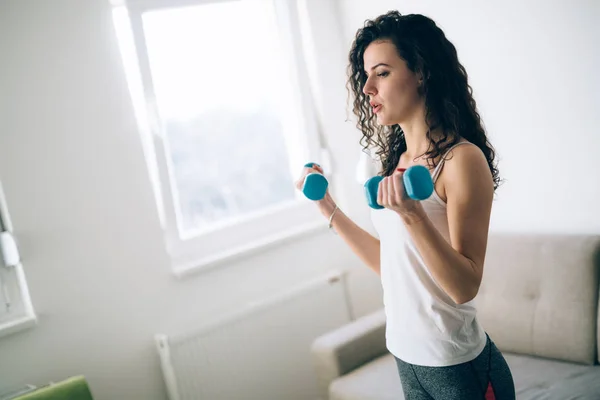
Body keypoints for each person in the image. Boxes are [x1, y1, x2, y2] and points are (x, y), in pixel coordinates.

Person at [296, 10, 516, 400]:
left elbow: (464, 286)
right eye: (365, 76)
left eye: (381, 73)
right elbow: (392, 265)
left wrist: (413, 215)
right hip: (406, 356)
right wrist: (328, 208)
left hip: (457, 364)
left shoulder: (461, 161)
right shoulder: (396, 163)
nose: (367, 89)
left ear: (421, 72)